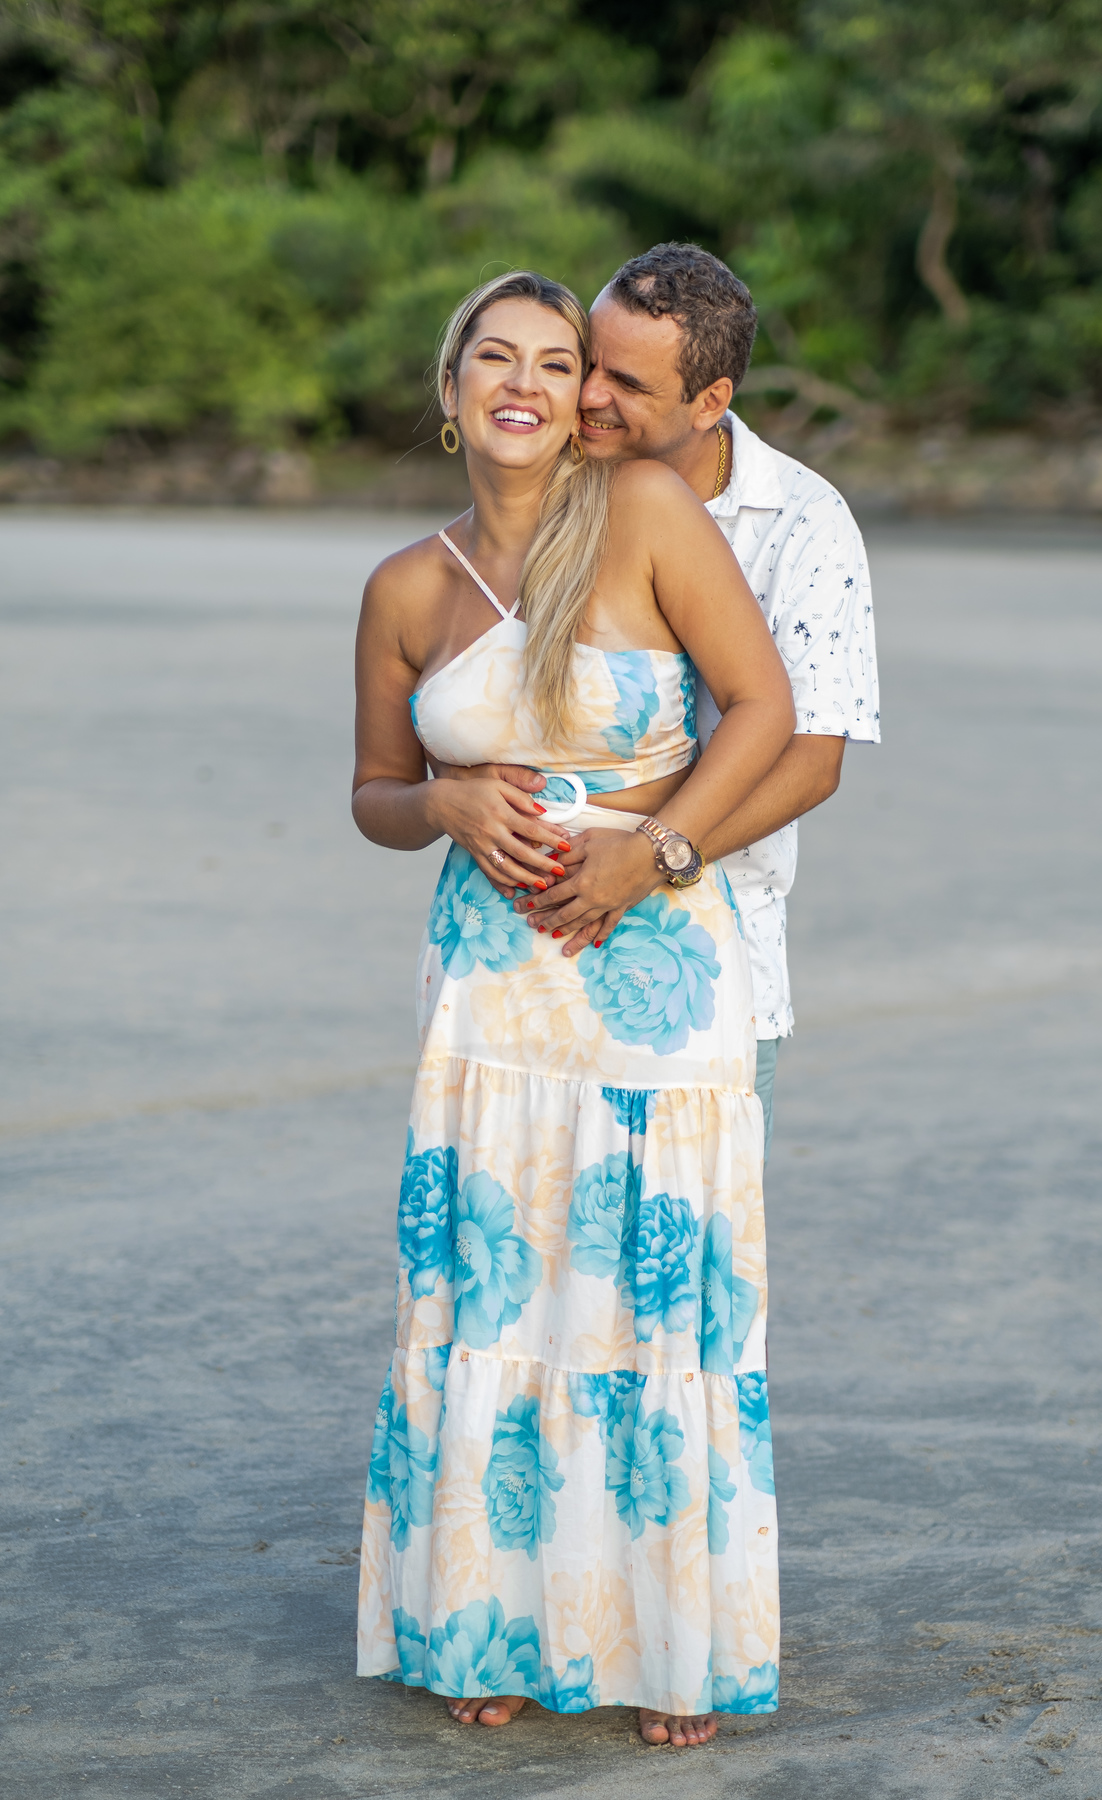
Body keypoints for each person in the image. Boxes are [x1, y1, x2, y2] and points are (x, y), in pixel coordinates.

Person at [351, 271, 795, 1747]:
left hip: (657, 971)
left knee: (647, 1300)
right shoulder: (404, 589)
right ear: (453, 387)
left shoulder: (648, 517)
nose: (535, 386)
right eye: (500, 358)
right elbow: (372, 798)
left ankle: (674, 1647)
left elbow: (765, 712)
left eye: (561, 361)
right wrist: (447, 799)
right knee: (498, 1296)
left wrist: (653, 853)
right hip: (491, 989)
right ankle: (486, 1620)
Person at [461, 245, 880, 1160]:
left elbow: (813, 757)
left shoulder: (803, 524)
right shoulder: (554, 486)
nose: (593, 396)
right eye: (591, 363)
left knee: (686, 1261)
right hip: (530, 939)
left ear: (710, 402)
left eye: (630, 383)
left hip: (717, 950)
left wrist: (654, 855)